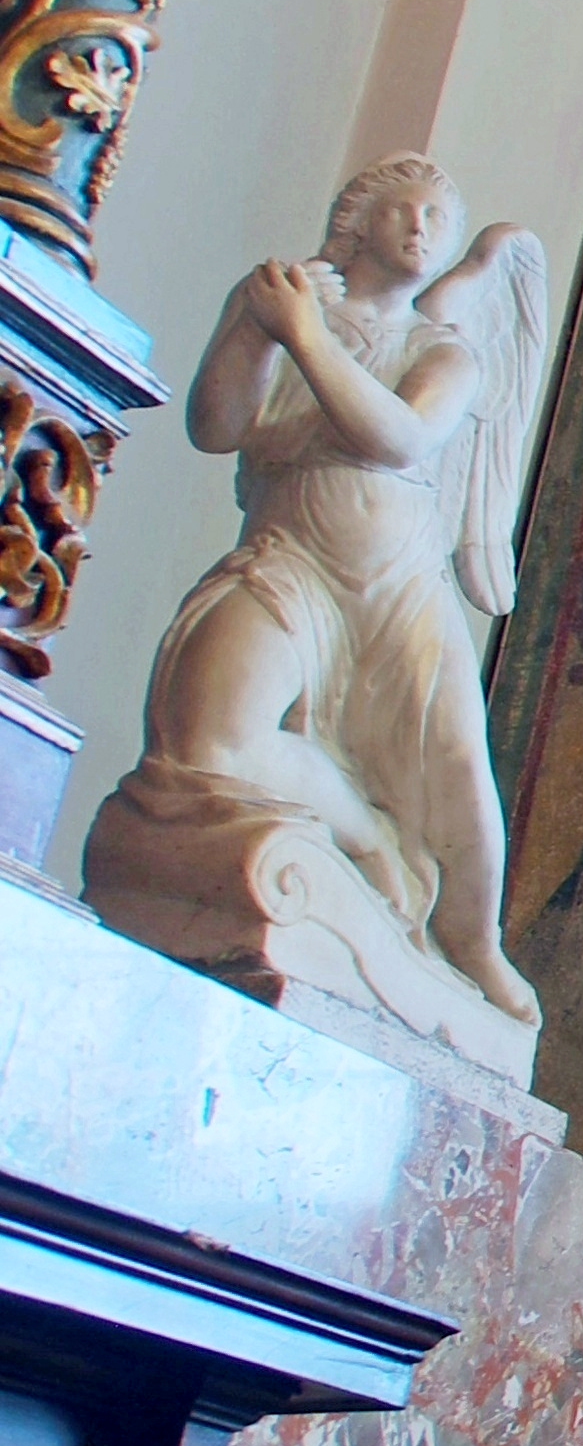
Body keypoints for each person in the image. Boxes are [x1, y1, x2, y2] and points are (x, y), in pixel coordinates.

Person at [93, 156, 548, 1032]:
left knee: (454, 769)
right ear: (358, 218)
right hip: (286, 560)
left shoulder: (441, 348)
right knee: (206, 742)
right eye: (405, 211)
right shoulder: (281, 298)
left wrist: (303, 333)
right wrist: (255, 325)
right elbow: (215, 427)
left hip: (396, 591)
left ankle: (472, 938)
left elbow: (400, 438)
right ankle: (369, 836)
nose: (423, 230)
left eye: (439, 223)